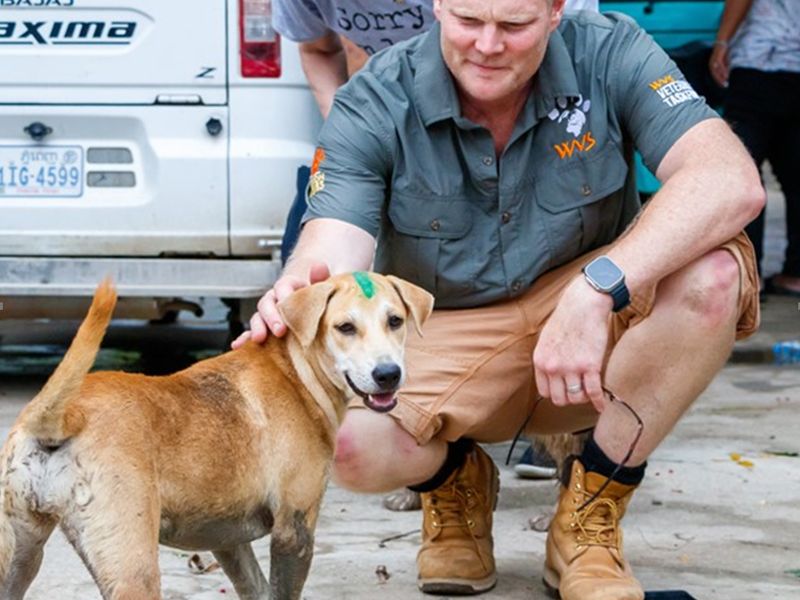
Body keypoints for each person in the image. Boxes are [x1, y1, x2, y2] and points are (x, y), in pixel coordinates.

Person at [236, 0, 763, 597]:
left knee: (713, 273)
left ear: (558, 9)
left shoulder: (611, 50)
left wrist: (597, 289)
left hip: (589, 315)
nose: (488, 45)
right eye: (468, 21)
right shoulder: (376, 96)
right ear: (437, 5)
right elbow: (334, 243)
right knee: (352, 444)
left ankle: (589, 520)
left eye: (513, 25)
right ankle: (456, 484)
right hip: (453, 329)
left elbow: (729, 178)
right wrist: (299, 284)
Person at [274, 0, 599, 489]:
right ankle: (445, 476)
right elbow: (318, 47)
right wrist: (345, 126)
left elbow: (569, 43)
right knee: (328, 275)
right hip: (392, 143)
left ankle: (571, 453)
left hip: (510, 131)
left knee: (531, 279)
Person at [710, 0, 800, 295]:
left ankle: (750, 277)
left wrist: (722, 42)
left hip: (758, 64)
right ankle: (795, 275)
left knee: (744, 173)